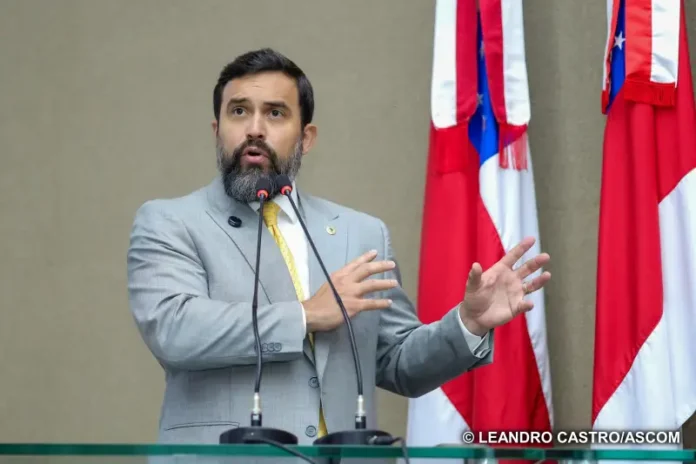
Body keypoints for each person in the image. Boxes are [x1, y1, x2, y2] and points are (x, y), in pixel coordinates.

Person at [126, 48, 551, 446]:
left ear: (306, 137)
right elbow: (174, 330)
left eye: (275, 113)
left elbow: (398, 362)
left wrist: (467, 324)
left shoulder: (361, 233)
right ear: (217, 131)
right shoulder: (170, 221)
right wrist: (307, 315)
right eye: (239, 111)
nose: (254, 128)